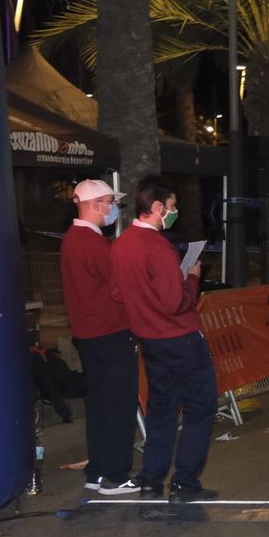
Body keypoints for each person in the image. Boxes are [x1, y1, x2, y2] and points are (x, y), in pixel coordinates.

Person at [109, 176, 217, 500]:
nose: (174, 212)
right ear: (156, 208)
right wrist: (192, 279)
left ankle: (151, 478)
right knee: (200, 407)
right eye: (171, 207)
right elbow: (175, 303)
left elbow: (117, 292)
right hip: (181, 338)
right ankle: (185, 482)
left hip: (149, 339)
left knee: (161, 409)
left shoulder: (121, 244)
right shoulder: (159, 247)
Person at [58, 179, 140, 496]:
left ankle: (98, 472)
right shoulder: (92, 243)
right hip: (111, 333)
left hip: (90, 335)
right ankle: (115, 476)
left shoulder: (72, 239)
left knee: (101, 406)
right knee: (118, 406)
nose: (112, 208)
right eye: (109, 202)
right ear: (93, 204)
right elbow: (119, 286)